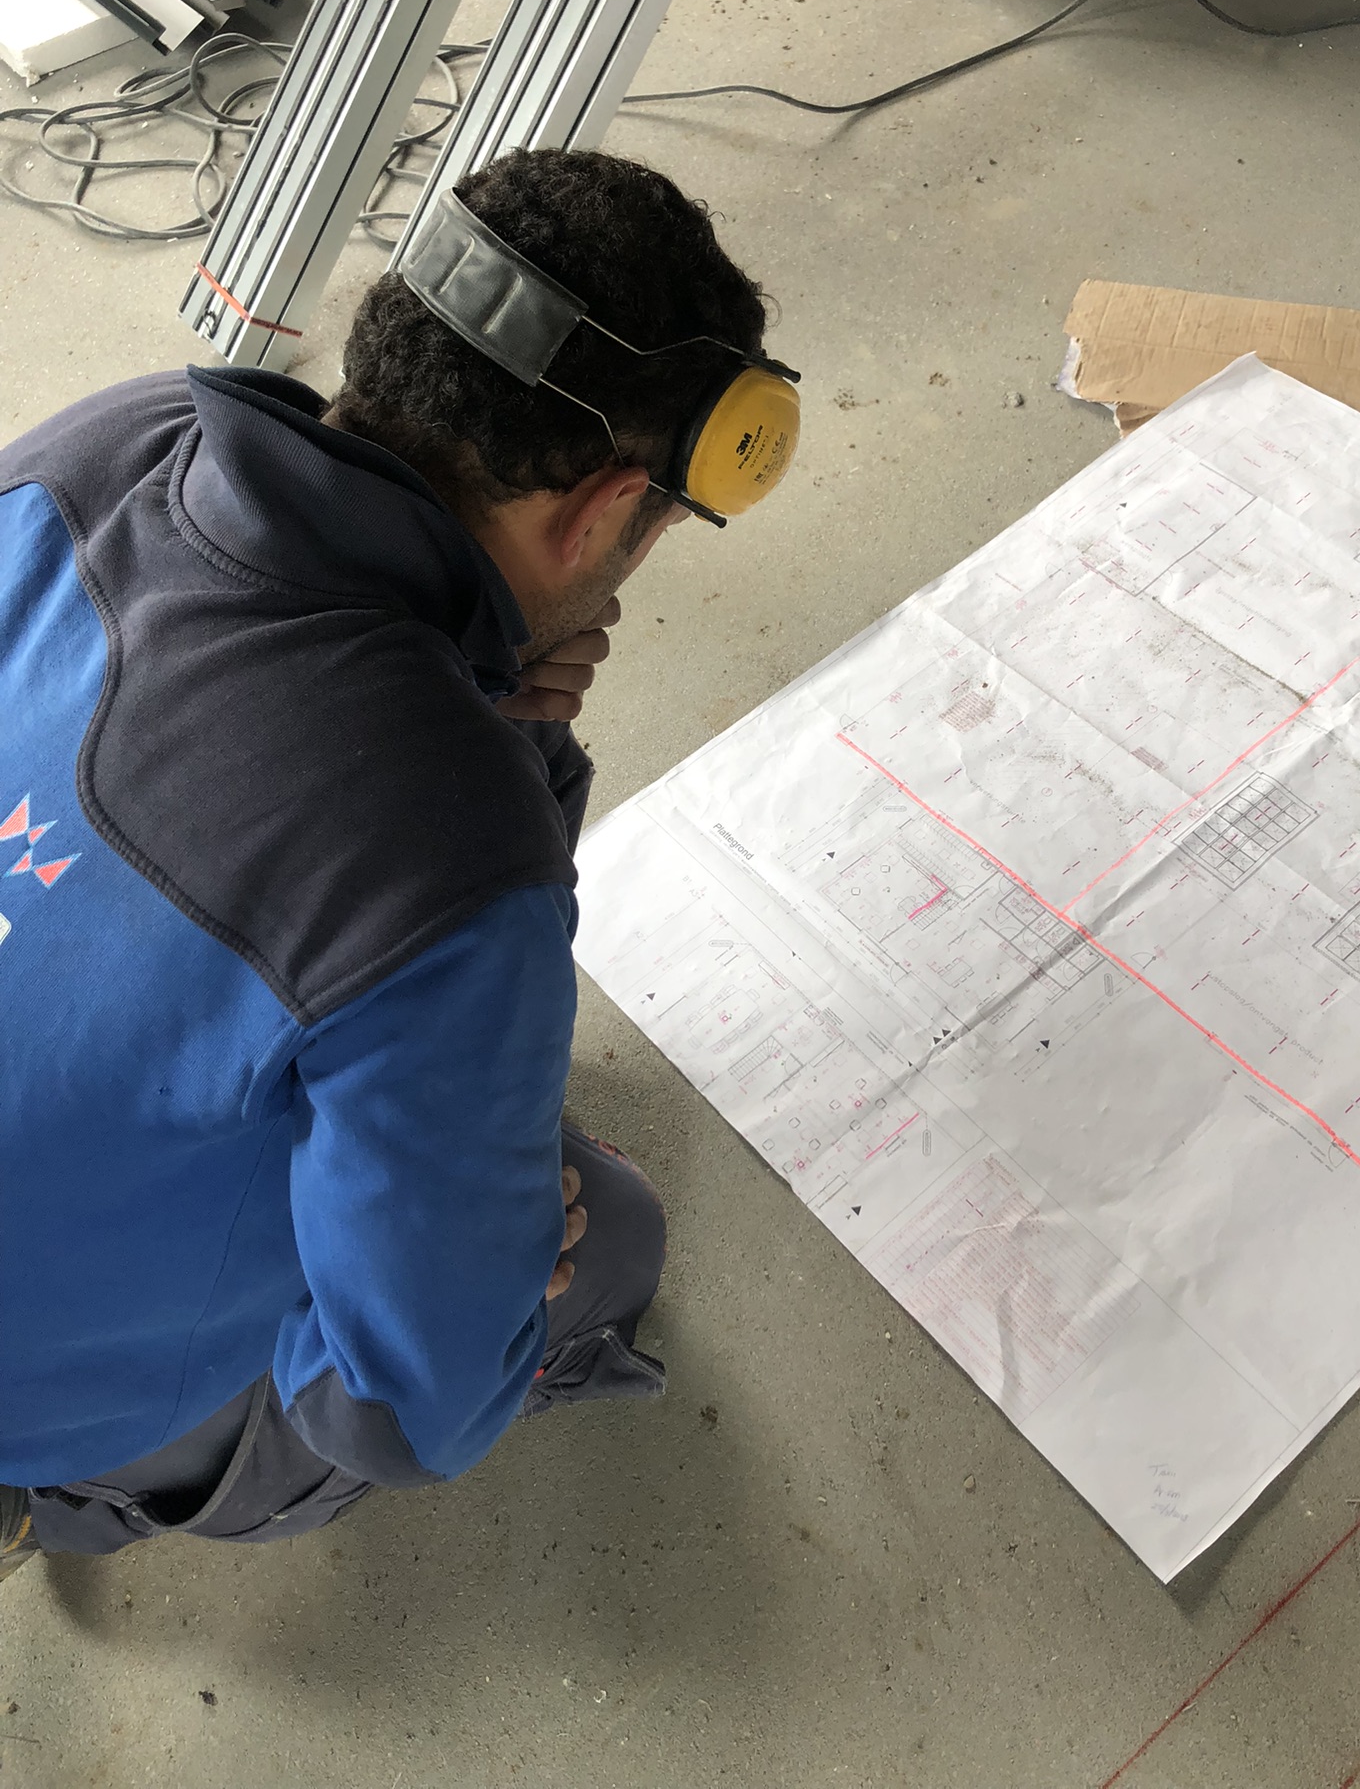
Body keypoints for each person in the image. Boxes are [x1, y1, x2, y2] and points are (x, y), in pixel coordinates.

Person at [0, 147, 799, 1573]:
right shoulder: (450, 862)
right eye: (654, 529)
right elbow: (397, 1413)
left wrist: (491, 722)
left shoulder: (110, 445)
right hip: (36, 1389)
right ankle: (70, 1494)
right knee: (605, 1236)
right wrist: (485, 1259)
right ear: (603, 510)